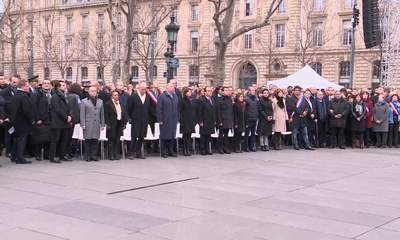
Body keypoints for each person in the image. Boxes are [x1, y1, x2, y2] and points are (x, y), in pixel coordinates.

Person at [9, 79, 34, 164]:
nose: (28, 88)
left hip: (15, 121)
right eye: (27, 86)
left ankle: (13, 156)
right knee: (22, 140)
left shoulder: (16, 95)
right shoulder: (24, 96)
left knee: (16, 139)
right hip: (23, 122)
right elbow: (27, 110)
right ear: (23, 86)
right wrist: (32, 120)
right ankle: (20, 158)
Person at [127, 81, 152, 159]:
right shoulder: (133, 97)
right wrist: (130, 118)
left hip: (144, 120)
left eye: (145, 89)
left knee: (142, 137)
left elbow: (149, 109)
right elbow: (128, 108)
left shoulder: (147, 97)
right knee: (134, 137)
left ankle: (138, 152)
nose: (144, 91)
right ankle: (131, 153)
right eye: (142, 89)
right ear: (139, 88)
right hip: (135, 120)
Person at [49, 80, 72, 163]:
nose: (64, 86)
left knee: (64, 140)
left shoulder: (64, 96)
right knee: (55, 140)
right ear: (58, 87)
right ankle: (53, 156)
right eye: (62, 85)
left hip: (64, 122)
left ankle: (62, 155)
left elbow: (67, 107)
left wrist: (69, 116)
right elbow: (57, 109)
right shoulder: (55, 96)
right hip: (57, 122)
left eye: (64, 85)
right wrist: (66, 117)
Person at [80, 86, 105, 161]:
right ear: (89, 92)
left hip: (97, 123)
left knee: (95, 140)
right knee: (88, 140)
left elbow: (102, 114)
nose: (94, 92)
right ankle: (87, 156)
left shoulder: (100, 101)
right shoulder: (84, 101)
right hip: (88, 124)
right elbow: (82, 114)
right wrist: (83, 124)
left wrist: (102, 124)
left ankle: (94, 155)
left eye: (95, 91)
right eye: (92, 91)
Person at [286, 86, 314, 150]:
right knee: (295, 133)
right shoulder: (291, 98)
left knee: (305, 133)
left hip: (303, 118)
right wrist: (301, 113)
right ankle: (295, 145)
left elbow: (307, 106)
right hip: (295, 118)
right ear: (294, 91)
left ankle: (307, 145)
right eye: (296, 90)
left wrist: (306, 112)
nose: (297, 91)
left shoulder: (303, 98)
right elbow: (293, 108)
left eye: (298, 90)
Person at [156, 82, 179, 158]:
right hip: (165, 120)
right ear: (167, 88)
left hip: (173, 120)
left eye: (174, 87)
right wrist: (160, 119)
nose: (173, 88)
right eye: (172, 87)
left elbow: (177, 108)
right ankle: (163, 152)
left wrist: (177, 118)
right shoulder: (162, 96)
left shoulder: (175, 96)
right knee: (164, 136)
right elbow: (159, 109)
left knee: (172, 136)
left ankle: (171, 151)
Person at [31, 79, 52, 160]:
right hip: (40, 120)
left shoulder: (51, 94)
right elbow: (34, 107)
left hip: (49, 120)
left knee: (48, 138)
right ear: (42, 85)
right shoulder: (37, 94)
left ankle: (46, 155)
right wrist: (37, 119)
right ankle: (38, 155)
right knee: (39, 138)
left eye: (48, 83)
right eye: (45, 83)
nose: (46, 85)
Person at [105, 90, 127, 160]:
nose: (116, 96)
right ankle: (110, 155)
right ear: (112, 96)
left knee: (117, 139)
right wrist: (107, 124)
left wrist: (124, 123)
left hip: (119, 123)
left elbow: (123, 113)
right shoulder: (108, 104)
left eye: (117, 95)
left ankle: (116, 154)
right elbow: (106, 115)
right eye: (115, 95)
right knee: (111, 139)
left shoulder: (120, 103)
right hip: (112, 123)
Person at [198, 86, 216, 155]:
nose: (210, 92)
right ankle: (202, 149)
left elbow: (214, 110)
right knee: (203, 136)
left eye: (211, 91)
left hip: (211, 121)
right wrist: (200, 121)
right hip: (204, 121)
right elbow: (199, 111)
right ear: (205, 92)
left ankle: (208, 149)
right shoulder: (202, 100)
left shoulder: (212, 100)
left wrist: (214, 120)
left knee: (209, 136)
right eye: (208, 91)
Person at [216, 87, 234, 154]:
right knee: (221, 135)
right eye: (225, 90)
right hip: (222, 120)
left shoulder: (229, 99)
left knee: (226, 135)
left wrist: (232, 120)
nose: (227, 91)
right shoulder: (220, 100)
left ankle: (225, 147)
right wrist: (219, 121)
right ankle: (220, 148)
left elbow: (231, 111)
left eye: (227, 90)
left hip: (228, 120)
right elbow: (218, 111)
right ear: (222, 92)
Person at [179, 87, 196, 156]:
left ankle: (188, 149)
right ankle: (184, 150)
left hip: (191, 121)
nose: (190, 93)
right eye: (188, 92)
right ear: (185, 93)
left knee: (189, 136)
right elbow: (181, 111)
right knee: (185, 136)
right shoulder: (183, 100)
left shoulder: (192, 100)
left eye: (190, 92)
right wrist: (181, 121)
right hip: (185, 121)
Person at [244, 87, 258, 152]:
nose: (253, 91)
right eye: (252, 90)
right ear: (249, 91)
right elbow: (244, 110)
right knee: (247, 134)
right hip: (248, 119)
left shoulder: (256, 99)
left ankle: (252, 146)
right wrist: (246, 119)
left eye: (254, 90)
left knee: (253, 134)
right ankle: (246, 146)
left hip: (254, 118)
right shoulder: (246, 99)